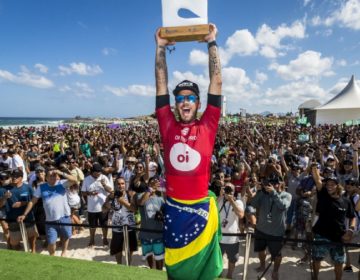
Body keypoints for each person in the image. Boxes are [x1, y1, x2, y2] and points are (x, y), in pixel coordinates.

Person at [155, 23, 223, 279]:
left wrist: (211, 42)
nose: (185, 101)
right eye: (180, 98)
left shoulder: (208, 125)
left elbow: (217, 80)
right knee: (176, 269)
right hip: (174, 210)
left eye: (191, 97)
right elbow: (160, 85)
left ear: (198, 103)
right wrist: (160, 48)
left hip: (201, 212)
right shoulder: (167, 123)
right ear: (175, 104)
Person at [18, 167, 77, 256]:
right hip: (50, 220)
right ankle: (52, 256)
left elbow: (75, 180)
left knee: (65, 236)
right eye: (50, 176)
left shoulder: (62, 183)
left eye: (54, 175)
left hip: (64, 216)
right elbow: (32, 201)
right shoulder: (41, 187)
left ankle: (64, 252)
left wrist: (60, 172)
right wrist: (24, 214)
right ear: (46, 177)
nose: (52, 178)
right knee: (51, 241)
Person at [311, 167, 357, 280]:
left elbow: (352, 217)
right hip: (321, 235)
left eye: (332, 184)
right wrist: (314, 167)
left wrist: (350, 230)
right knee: (317, 260)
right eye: (327, 184)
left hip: (338, 237)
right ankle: (315, 278)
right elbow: (317, 179)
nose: (329, 186)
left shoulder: (345, 201)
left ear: (337, 185)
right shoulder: (323, 195)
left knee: (339, 263)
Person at [248, 175, 292, 280]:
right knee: (261, 250)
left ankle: (275, 271)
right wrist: (260, 192)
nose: (273, 185)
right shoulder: (264, 194)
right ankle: (262, 265)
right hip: (261, 229)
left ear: (281, 183)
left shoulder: (287, 195)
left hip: (276, 232)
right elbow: (252, 203)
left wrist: (273, 193)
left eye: (276, 183)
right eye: (271, 183)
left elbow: (282, 207)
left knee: (277, 255)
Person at [0, 169, 37, 252]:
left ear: (21, 177)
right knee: (14, 242)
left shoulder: (28, 187)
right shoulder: (3, 189)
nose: (14, 178)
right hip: (12, 219)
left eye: (16, 176)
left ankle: (33, 250)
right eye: (12, 176)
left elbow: (34, 201)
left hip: (28, 217)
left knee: (31, 235)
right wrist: (4, 198)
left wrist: (23, 203)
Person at [103, 176, 138, 265]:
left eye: (122, 183)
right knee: (117, 248)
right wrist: (107, 203)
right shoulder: (112, 195)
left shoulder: (130, 194)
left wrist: (121, 201)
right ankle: (119, 265)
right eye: (118, 184)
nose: (120, 185)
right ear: (115, 185)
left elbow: (134, 209)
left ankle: (128, 264)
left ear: (125, 184)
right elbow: (104, 209)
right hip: (117, 226)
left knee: (130, 248)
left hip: (130, 226)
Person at [135, 176, 165, 270]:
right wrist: (150, 189)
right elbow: (141, 203)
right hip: (145, 233)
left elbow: (165, 213)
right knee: (149, 255)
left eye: (157, 181)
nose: (156, 182)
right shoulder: (140, 195)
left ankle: (159, 273)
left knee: (159, 257)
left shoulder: (160, 199)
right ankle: (151, 271)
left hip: (158, 232)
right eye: (154, 181)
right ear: (149, 184)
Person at [81, 162, 113, 247]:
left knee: (104, 225)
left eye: (100, 171)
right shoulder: (87, 179)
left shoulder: (104, 177)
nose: (99, 173)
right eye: (97, 172)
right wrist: (89, 193)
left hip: (103, 207)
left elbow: (110, 190)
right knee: (92, 226)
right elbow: (83, 192)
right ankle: (92, 240)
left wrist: (104, 185)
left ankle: (105, 239)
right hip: (91, 208)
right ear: (92, 171)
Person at [217, 183, 244, 279]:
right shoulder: (219, 200)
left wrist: (231, 200)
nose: (228, 191)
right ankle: (219, 274)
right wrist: (220, 196)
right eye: (226, 189)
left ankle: (229, 275)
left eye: (230, 190)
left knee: (232, 259)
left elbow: (241, 215)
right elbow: (210, 210)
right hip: (219, 238)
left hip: (232, 238)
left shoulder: (238, 202)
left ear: (234, 192)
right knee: (218, 259)